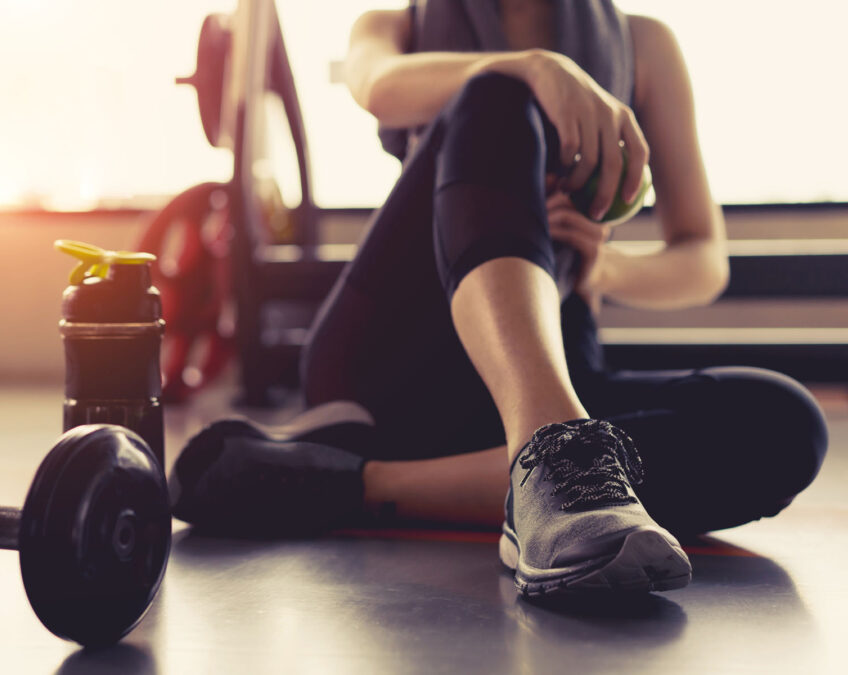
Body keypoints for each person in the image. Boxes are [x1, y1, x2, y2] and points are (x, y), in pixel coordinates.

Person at [169, 0, 828, 597]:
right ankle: (556, 453)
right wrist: (534, 68)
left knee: (785, 424)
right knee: (496, 94)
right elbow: (376, 86)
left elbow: (703, 259)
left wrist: (607, 270)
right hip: (394, 359)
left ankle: (356, 482)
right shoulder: (394, 26)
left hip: (556, 356)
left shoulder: (645, 45)